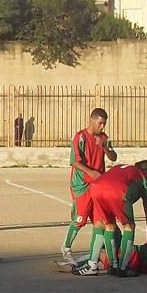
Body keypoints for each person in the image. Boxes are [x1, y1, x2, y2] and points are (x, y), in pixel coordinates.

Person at [73, 161, 147, 277]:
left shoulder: (120, 167)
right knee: (129, 227)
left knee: (105, 225)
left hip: (96, 188)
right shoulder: (142, 178)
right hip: (117, 191)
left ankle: (98, 265)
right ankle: (123, 268)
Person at [59, 108, 117, 265]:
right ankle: (66, 247)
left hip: (98, 184)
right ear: (92, 120)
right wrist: (90, 172)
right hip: (82, 184)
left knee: (100, 220)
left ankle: (95, 254)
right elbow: (74, 162)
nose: (102, 127)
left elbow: (113, 157)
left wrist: (105, 147)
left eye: (104, 124)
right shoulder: (81, 137)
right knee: (80, 218)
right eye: (100, 123)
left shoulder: (104, 138)